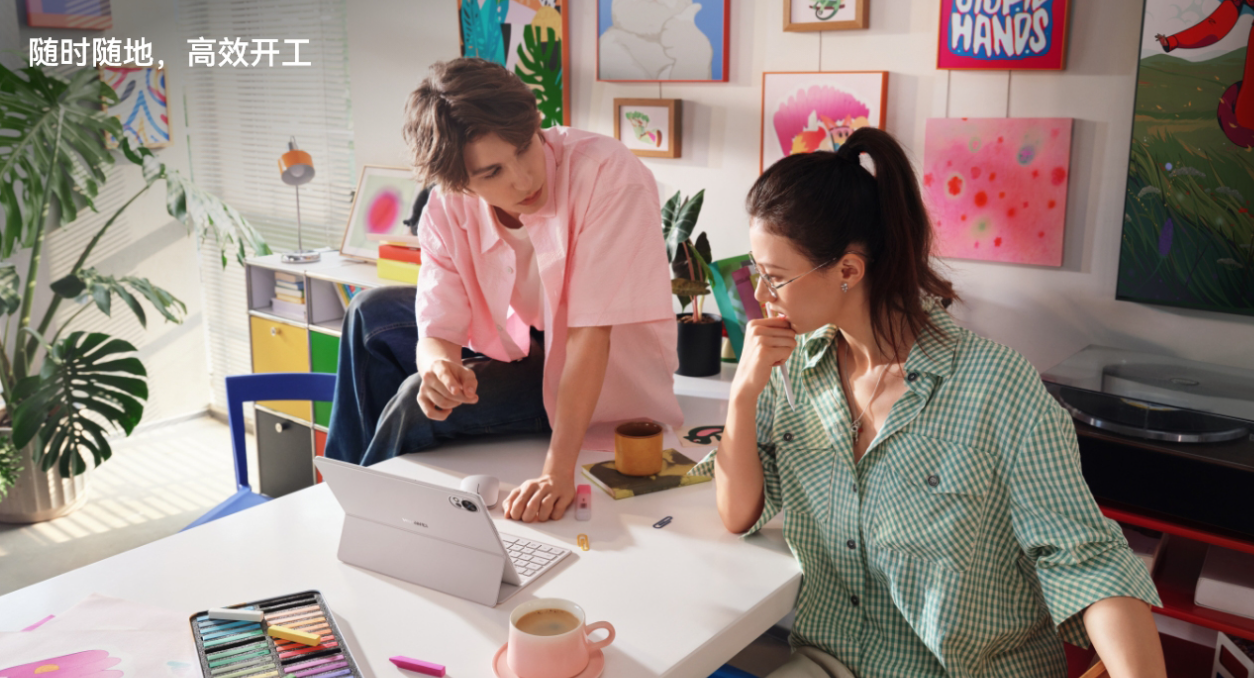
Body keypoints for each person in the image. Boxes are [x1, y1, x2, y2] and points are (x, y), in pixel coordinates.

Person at [692, 128, 1166, 678]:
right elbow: (738, 513)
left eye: (775, 278)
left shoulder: (995, 385)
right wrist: (743, 393)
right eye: (758, 272)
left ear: (848, 271)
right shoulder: (796, 366)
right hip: (832, 661)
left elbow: (1086, 559)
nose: (761, 296)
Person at [325, 58, 683, 523]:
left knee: (413, 404)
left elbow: (590, 338)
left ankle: (368, 519)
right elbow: (438, 324)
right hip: (515, 338)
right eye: (492, 172)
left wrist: (557, 472)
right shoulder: (447, 205)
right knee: (368, 311)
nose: (523, 178)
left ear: (535, 124)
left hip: (594, 367)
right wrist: (439, 370)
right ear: (460, 183)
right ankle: (338, 491)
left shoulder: (607, 175)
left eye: (525, 146)